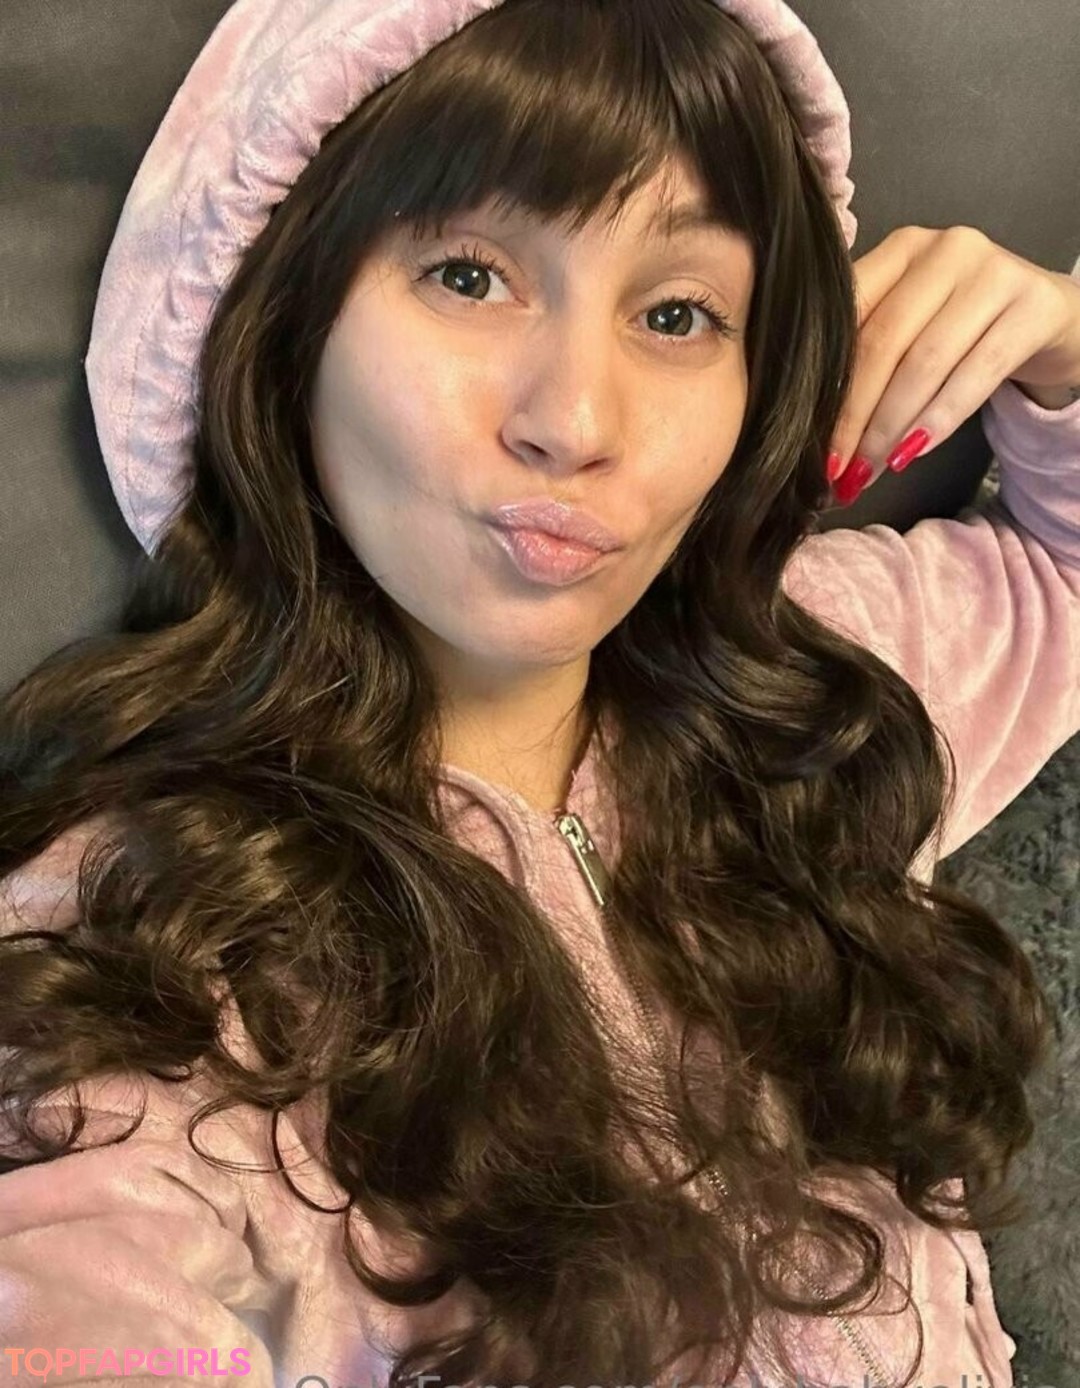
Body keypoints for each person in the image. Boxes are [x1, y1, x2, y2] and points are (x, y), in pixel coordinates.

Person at [1, 0, 1078, 1384]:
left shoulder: (824, 688)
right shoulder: (138, 929)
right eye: (469, 276)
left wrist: (1062, 351)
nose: (575, 421)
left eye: (678, 314)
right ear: (284, 319)